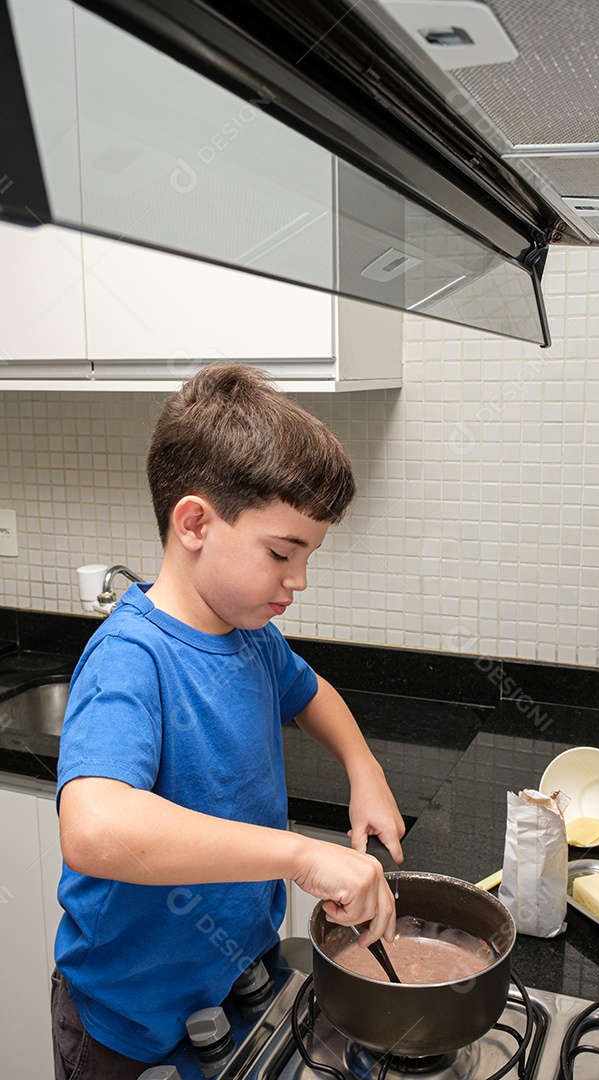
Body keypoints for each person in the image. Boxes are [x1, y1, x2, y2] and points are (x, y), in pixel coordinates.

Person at [51, 362, 405, 1079]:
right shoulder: (131, 658)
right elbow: (94, 830)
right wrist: (301, 854)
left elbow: (313, 695)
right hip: (130, 1025)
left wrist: (363, 769)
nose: (298, 579)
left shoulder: (247, 634)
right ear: (194, 523)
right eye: (282, 552)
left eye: (308, 556)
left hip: (241, 976)